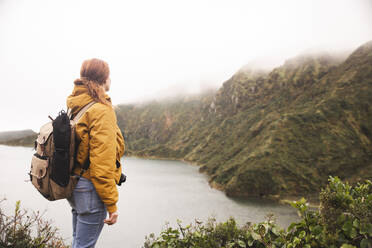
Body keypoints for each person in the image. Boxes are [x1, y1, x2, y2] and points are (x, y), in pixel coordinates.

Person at [66, 58, 125, 248]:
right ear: (104, 79)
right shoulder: (101, 110)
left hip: (75, 185)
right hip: (90, 189)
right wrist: (112, 204)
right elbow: (102, 164)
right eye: (109, 75)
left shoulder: (77, 105)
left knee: (78, 242)